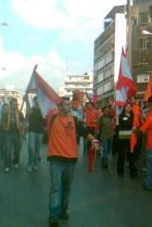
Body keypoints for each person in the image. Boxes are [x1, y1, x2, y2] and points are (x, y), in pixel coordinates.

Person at [46, 97, 99, 227]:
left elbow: (84, 132)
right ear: (59, 107)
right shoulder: (52, 119)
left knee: (66, 189)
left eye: (69, 104)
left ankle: (63, 210)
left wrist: (94, 140)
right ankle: (54, 216)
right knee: (56, 188)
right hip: (55, 160)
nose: (69, 106)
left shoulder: (74, 120)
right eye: (66, 104)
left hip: (70, 160)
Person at [2, 98, 23, 172]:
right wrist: (5, 128)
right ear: (10, 105)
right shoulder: (6, 113)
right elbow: (3, 122)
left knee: (17, 150)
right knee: (8, 151)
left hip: (17, 134)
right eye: (13, 104)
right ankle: (7, 166)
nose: (15, 106)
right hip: (8, 134)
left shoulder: (20, 113)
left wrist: (22, 131)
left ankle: (15, 162)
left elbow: (23, 122)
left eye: (16, 104)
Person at [117, 102, 137, 178]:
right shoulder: (120, 116)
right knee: (121, 155)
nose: (129, 107)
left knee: (131, 155)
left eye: (130, 106)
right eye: (127, 106)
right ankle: (120, 170)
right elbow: (118, 127)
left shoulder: (133, 116)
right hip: (122, 138)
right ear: (124, 108)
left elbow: (136, 125)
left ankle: (133, 172)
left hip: (131, 138)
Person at [25, 95, 45, 172]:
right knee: (31, 148)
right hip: (32, 131)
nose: (39, 101)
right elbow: (28, 114)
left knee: (37, 149)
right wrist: (27, 101)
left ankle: (35, 164)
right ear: (34, 101)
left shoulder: (43, 110)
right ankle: (30, 164)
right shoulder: (32, 109)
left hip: (40, 131)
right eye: (37, 99)